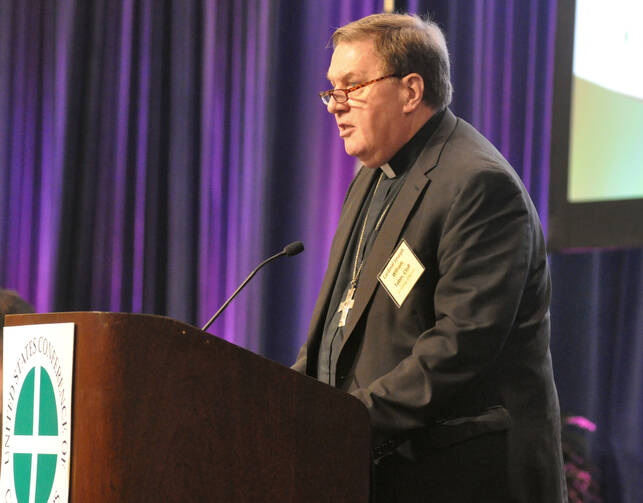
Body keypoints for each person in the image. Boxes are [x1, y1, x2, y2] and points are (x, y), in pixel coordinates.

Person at [292, 13, 566, 502]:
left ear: (411, 91)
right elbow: (340, 328)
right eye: (332, 89)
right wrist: (282, 406)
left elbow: (461, 345)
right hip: (381, 473)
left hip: (464, 479)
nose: (336, 105)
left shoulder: (479, 185)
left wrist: (343, 422)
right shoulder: (372, 176)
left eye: (352, 87)